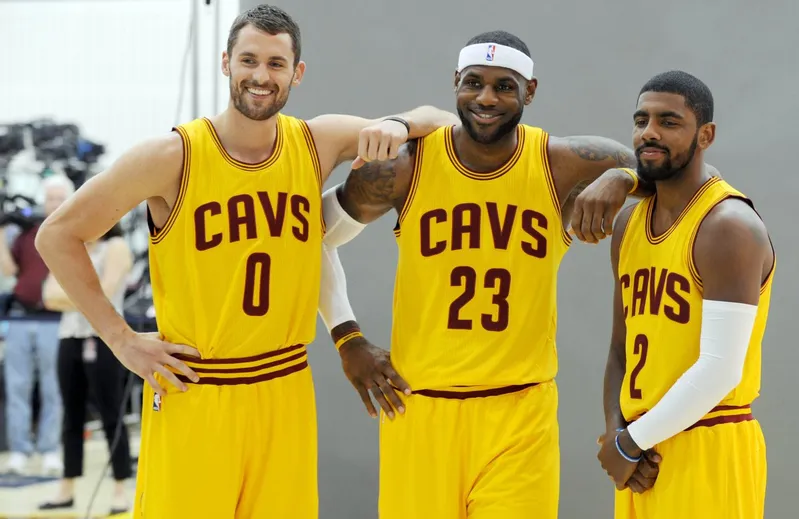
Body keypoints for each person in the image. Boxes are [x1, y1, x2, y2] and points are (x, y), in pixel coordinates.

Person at [34, 4, 457, 519]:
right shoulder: (173, 156)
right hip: (199, 389)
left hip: (283, 387)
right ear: (225, 63)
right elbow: (57, 235)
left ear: (297, 73)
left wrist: (394, 123)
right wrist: (121, 339)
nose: (261, 76)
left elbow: (441, 121)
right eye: (249, 60)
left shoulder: (315, 141)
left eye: (276, 64)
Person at [314, 30, 695, 519]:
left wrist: (622, 177)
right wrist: (348, 338)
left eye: (505, 86)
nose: (486, 98)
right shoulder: (405, 169)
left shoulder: (564, 162)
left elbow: (669, 169)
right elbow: (307, 236)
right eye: (474, 83)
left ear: (529, 92)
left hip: (520, 415)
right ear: (456, 83)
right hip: (422, 411)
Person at [596, 70, 774, 519]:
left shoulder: (728, 226)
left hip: (709, 442)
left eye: (669, 122)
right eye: (641, 121)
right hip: (640, 453)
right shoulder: (629, 225)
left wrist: (630, 443)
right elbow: (621, 349)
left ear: (706, 134)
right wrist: (616, 436)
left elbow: (720, 370)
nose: (649, 132)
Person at [39, 222, 134, 515]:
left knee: (110, 413)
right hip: (70, 337)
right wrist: (85, 296)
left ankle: (120, 487)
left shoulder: (115, 247)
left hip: (105, 338)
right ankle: (66, 487)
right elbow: (48, 297)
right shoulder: (68, 248)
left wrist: (71, 295)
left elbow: (105, 291)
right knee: (71, 415)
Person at [1, 173, 73, 475]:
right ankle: (19, 451)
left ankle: (49, 449)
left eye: (59, 198)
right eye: (49, 198)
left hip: (55, 319)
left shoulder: (71, 231)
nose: (53, 203)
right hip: (20, 317)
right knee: (17, 385)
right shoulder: (27, 235)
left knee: (52, 387)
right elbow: (8, 270)